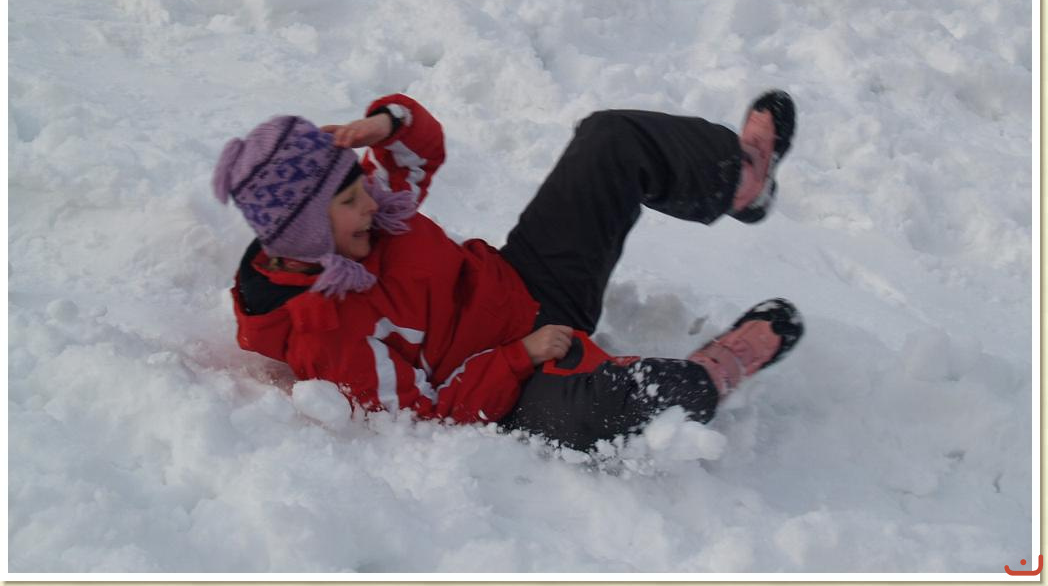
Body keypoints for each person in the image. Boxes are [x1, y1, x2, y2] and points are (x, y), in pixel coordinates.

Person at [212, 91, 803, 452]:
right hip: (511, 386)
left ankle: (739, 179)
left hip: (524, 285)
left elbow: (418, 156)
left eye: (359, 185)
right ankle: (711, 373)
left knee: (610, 139)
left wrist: (391, 123)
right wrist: (520, 356)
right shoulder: (328, 335)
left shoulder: (369, 215)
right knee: (616, 403)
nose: (369, 201)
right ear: (307, 233)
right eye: (349, 200)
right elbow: (424, 413)